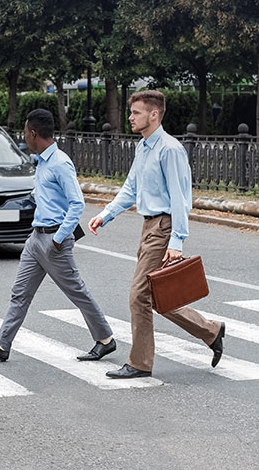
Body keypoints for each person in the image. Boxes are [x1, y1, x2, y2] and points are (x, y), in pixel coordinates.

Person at [88, 90, 224, 378]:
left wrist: (177, 240)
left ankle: (139, 362)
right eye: (131, 112)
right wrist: (105, 215)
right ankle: (211, 330)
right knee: (156, 295)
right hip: (148, 225)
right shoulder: (144, 147)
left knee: (139, 295)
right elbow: (131, 189)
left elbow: (180, 198)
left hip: (164, 226)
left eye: (136, 112)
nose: (130, 117)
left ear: (154, 114)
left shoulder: (170, 149)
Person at [0, 109, 116, 362]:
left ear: (34, 133)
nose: (24, 138)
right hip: (36, 239)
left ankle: (106, 339)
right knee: (20, 293)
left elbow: (77, 203)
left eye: (26, 133)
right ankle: (2, 345)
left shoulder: (60, 162)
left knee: (76, 291)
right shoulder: (42, 162)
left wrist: (59, 238)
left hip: (54, 240)